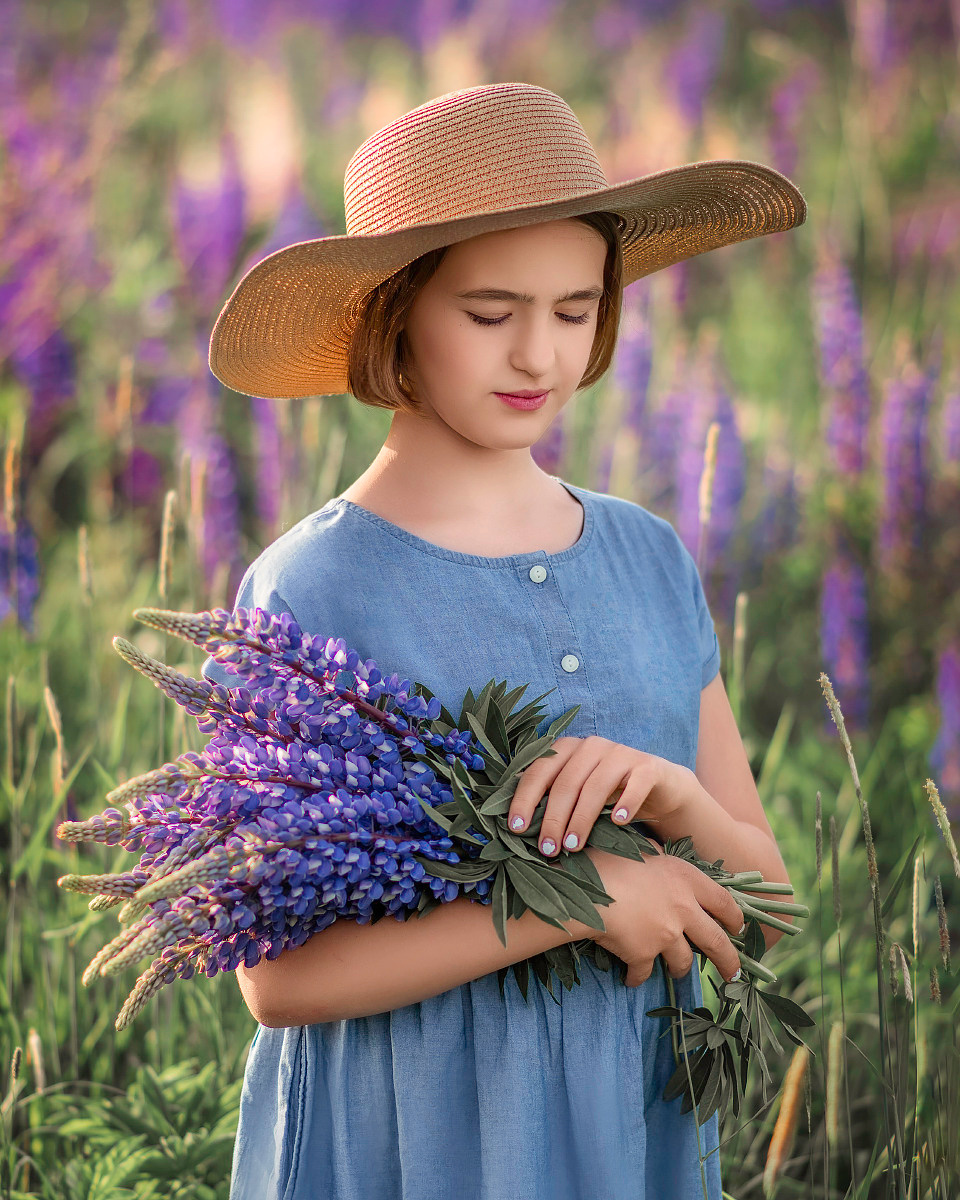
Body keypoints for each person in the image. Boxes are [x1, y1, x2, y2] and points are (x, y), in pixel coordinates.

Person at [200, 82, 805, 1200]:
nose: (539, 354)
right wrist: (568, 905)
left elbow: (766, 903)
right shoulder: (311, 591)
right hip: (407, 1138)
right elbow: (276, 982)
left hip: (629, 1133)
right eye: (490, 313)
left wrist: (678, 802)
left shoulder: (648, 556)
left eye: (575, 310)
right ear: (395, 316)